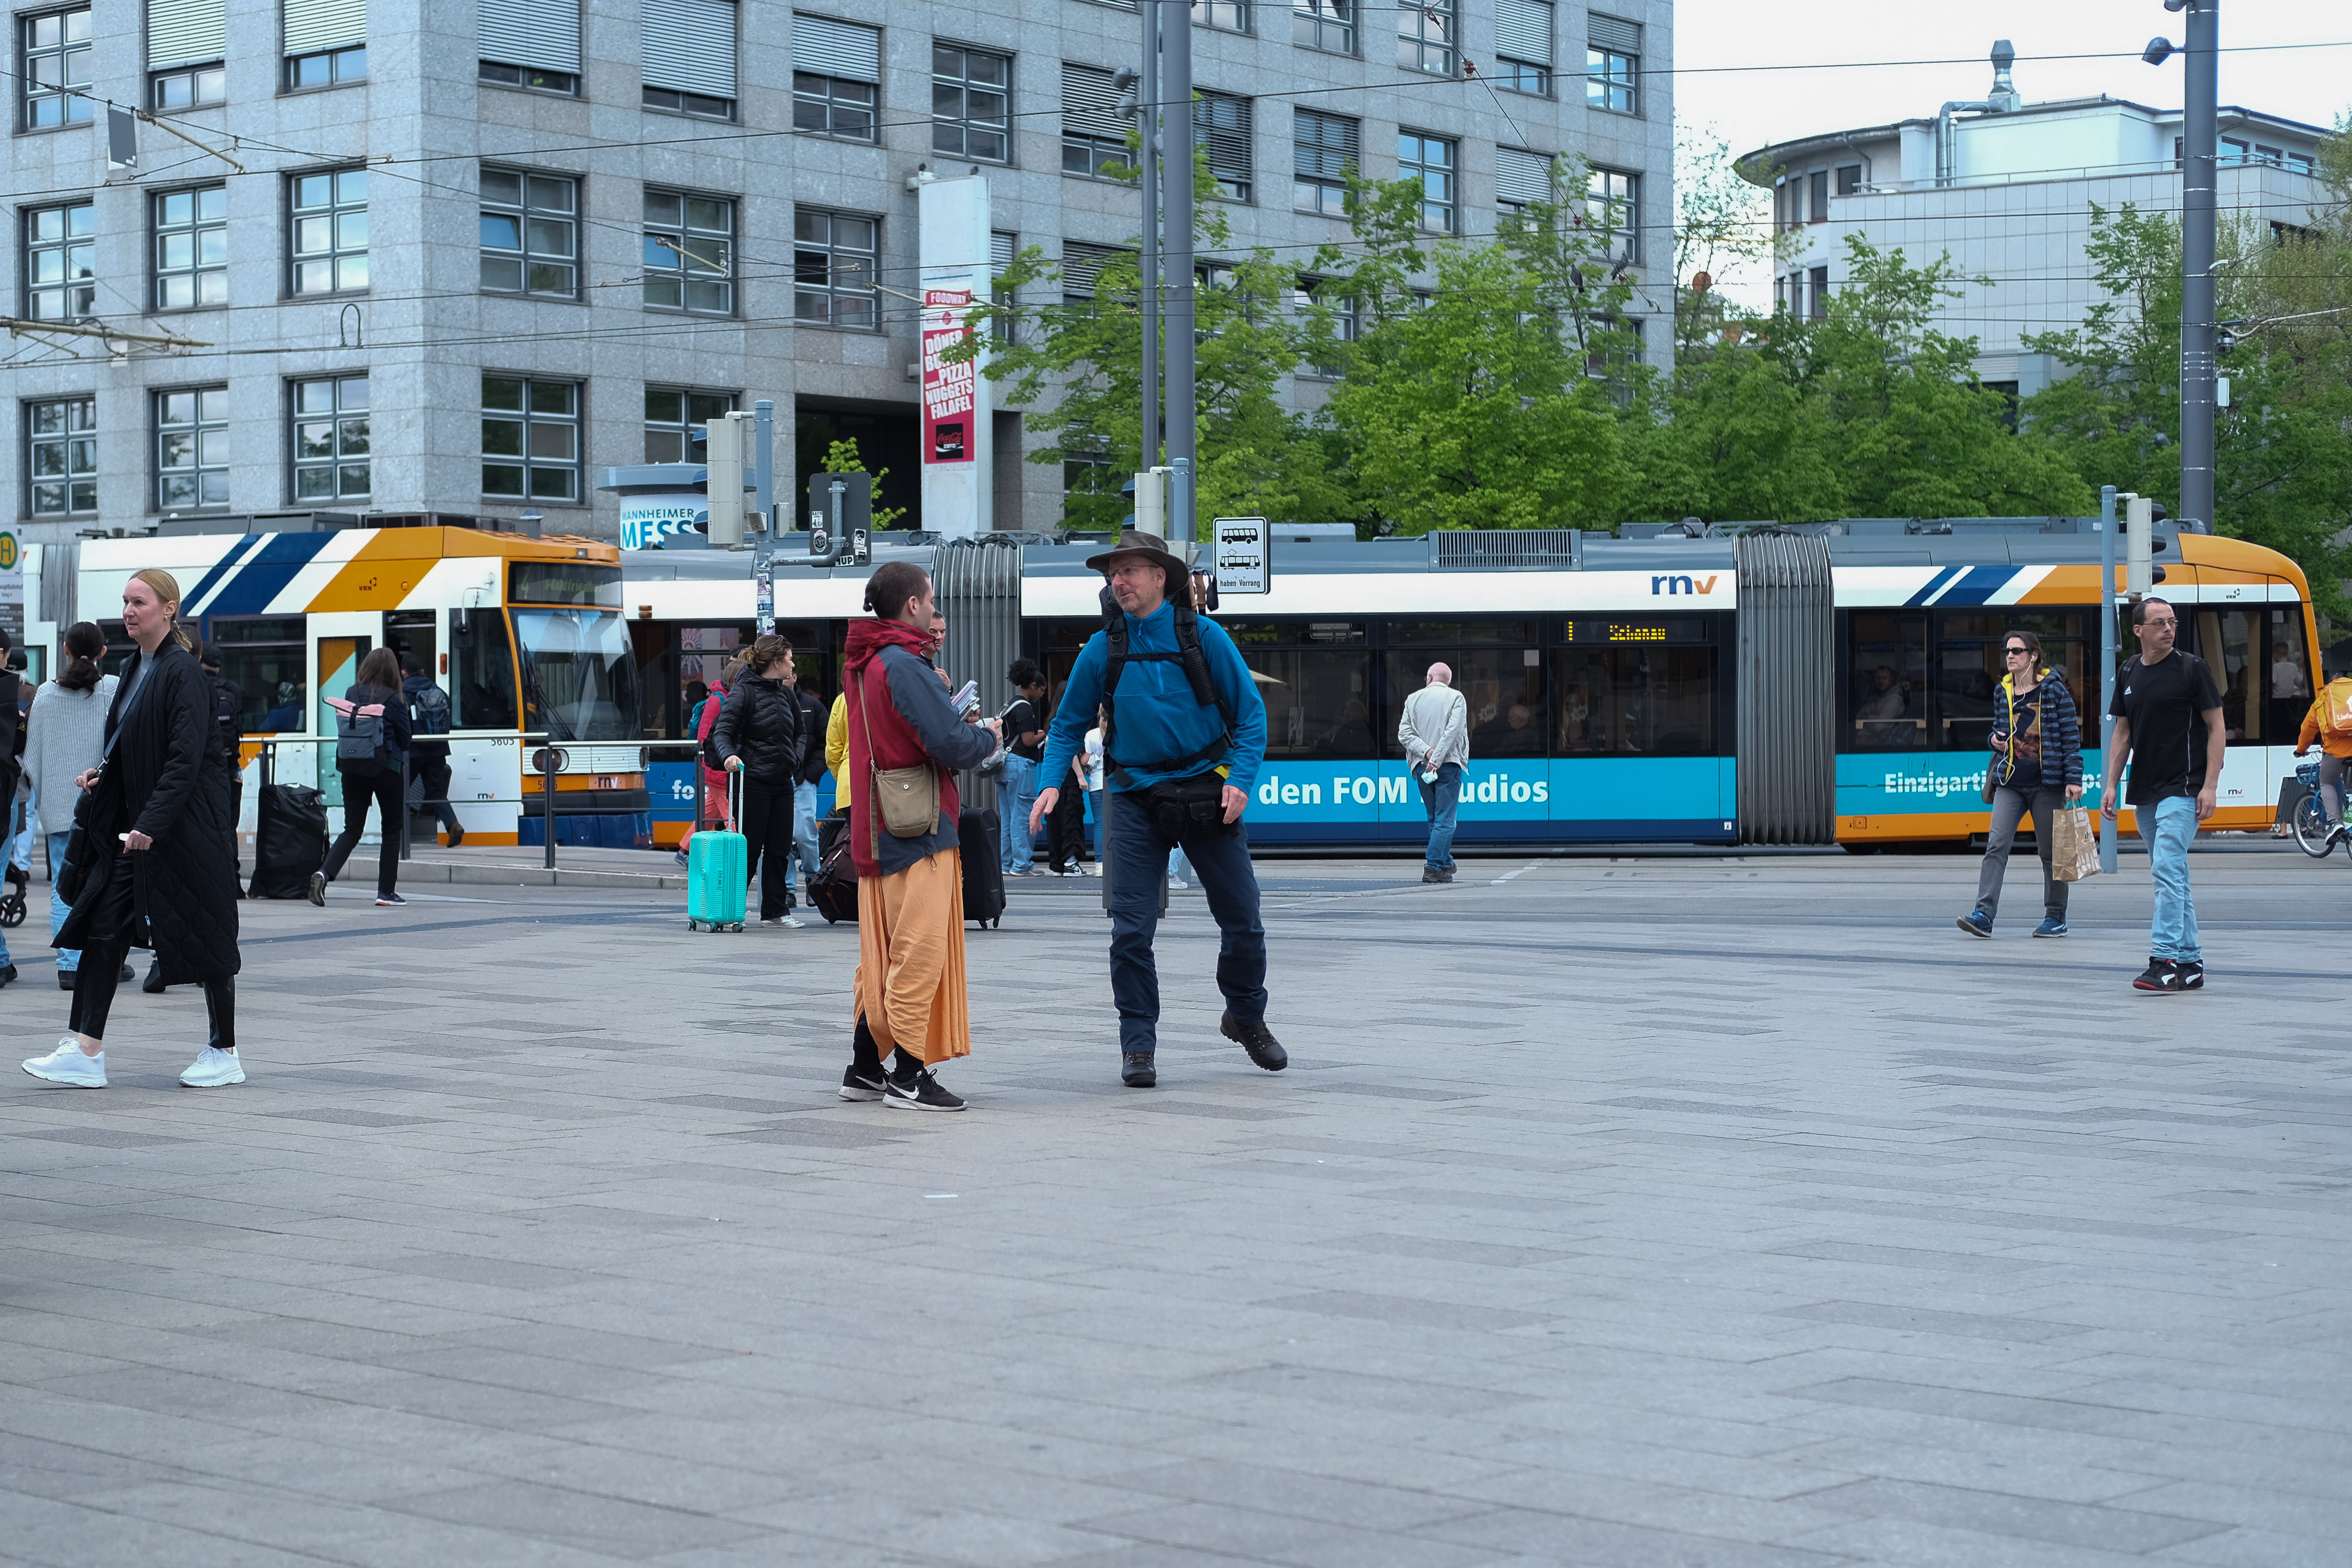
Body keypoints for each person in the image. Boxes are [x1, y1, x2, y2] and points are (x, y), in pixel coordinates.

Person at [1032, 530, 1283, 1090]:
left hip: (1207, 792)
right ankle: (1138, 1044)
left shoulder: (1206, 637)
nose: (1118, 581)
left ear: (1160, 578)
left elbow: (1251, 716)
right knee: (1130, 931)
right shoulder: (1102, 649)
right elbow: (1069, 724)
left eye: (1130, 571)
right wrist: (1051, 784)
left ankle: (1245, 1014)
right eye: (1112, 573)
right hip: (1135, 799)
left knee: (1244, 920)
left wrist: (1240, 781)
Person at [22, 568, 245, 1090]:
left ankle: (224, 1050)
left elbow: (185, 758)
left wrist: (151, 821)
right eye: (124, 602)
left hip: (184, 830)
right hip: (138, 831)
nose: (128, 611)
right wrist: (102, 775)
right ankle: (86, 1050)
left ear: (168, 609)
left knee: (206, 934)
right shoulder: (133, 666)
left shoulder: (182, 671)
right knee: (103, 926)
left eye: (139, 601)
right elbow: (132, 744)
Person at [839, 561, 1003, 1111]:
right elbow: (948, 744)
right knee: (920, 950)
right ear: (912, 605)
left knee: (882, 955)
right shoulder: (903, 666)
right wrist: (985, 737)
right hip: (918, 828)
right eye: (931, 599)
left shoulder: (863, 663)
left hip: (875, 827)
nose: (936, 609)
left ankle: (863, 1068)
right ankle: (908, 1075)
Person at [2101, 597, 2226, 992]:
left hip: (2183, 787)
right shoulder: (2128, 671)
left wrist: (2209, 786)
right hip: (2145, 789)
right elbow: (2122, 733)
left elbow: (2216, 728)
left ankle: (2163, 960)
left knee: (2166, 872)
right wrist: (2110, 783)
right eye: (2158, 623)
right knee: (2173, 876)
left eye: (2171, 622)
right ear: (2138, 630)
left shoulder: (2192, 669)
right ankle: (2190, 964)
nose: (2168, 629)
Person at [22, 623, 129, 991]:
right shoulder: (114, 688)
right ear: (103, 652)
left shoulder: (46, 695)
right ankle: (105, 959)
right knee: (110, 883)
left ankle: (69, 965)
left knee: (64, 885)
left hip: (58, 808)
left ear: (65, 649)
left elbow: (31, 758)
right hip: (107, 805)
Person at [1957, 631, 2083, 939]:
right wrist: (1993, 740)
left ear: (2033, 656)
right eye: (2007, 651)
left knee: (2051, 853)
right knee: (1996, 846)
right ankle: (1983, 915)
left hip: (2047, 783)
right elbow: (1998, 732)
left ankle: (2056, 916)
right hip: (2010, 782)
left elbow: (2070, 736)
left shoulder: (2054, 690)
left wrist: (2073, 779)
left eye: (2016, 651)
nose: (2010, 656)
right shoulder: (2004, 690)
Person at [713, 633, 809, 929]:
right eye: (790, 659)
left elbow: (801, 733)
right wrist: (729, 757)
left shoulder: (786, 694)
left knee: (780, 849)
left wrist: (795, 759)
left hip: (782, 781)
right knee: (750, 848)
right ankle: (731, 909)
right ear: (776, 662)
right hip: (751, 781)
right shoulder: (744, 693)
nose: (793, 665)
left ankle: (776, 912)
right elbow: (722, 732)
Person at [312, 646, 414, 908]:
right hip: (387, 770)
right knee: (391, 830)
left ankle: (324, 873)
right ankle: (385, 892)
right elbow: (406, 738)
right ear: (393, 671)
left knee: (353, 829)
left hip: (351, 768)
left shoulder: (351, 693)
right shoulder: (395, 699)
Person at [1398, 661, 1471, 884]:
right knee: (1446, 820)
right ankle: (1433, 866)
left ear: (1429, 678)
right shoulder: (1456, 698)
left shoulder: (1413, 699)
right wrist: (1437, 758)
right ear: (1447, 681)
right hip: (1448, 765)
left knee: (1434, 818)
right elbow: (1453, 732)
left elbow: (1404, 733)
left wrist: (1427, 753)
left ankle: (1445, 863)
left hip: (1421, 767)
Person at [401, 652, 463, 848]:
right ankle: (453, 824)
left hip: (414, 750)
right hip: (438, 748)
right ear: (423, 671)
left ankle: (398, 837)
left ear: (404, 673)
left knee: (399, 791)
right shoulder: (438, 690)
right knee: (435, 791)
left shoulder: (402, 692)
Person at [2296, 652, 2352, 845]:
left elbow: (2307, 729)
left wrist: (2301, 749)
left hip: (2336, 753)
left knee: (2327, 782)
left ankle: (2336, 823)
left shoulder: (2323, 700)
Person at [999, 659, 1048, 877]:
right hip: (1021, 764)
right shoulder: (1026, 708)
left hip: (1004, 765)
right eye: (1041, 690)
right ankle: (1021, 865)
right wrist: (1043, 734)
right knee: (1022, 815)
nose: (1042, 696)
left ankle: (1007, 863)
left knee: (1008, 816)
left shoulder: (1009, 705)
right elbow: (1029, 740)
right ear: (1033, 685)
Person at [783, 674, 828, 906]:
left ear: (794, 676)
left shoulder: (812, 706)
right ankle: (789, 889)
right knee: (782, 837)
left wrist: (812, 774)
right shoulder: (768, 701)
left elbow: (826, 742)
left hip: (804, 781)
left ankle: (812, 877)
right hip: (777, 779)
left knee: (805, 834)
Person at [1044, 680, 1090, 874]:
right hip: (1070, 780)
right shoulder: (1070, 723)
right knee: (1072, 820)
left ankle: (1057, 864)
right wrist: (1081, 777)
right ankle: (1071, 861)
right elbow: (1070, 753)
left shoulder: (1050, 722)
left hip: (1055, 780)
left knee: (1055, 822)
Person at [1857, 665, 1910, 745]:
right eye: (1878, 678)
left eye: (1885, 678)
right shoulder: (1874, 697)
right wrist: (1868, 718)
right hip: (1862, 738)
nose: (1881, 681)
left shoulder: (1894, 700)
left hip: (1881, 743)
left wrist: (1864, 721)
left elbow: (1878, 727)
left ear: (1891, 680)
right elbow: (1857, 718)